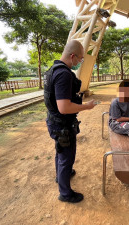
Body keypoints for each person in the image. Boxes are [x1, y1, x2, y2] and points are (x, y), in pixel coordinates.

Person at [44, 40, 96, 203]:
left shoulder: (52, 70)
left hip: (54, 121)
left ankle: (61, 177)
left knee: (60, 152)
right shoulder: (64, 74)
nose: (79, 63)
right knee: (66, 156)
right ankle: (65, 194)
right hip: (62, 125)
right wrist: (86, 107)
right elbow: (64, 107)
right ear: (72, 56)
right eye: (80, 59)